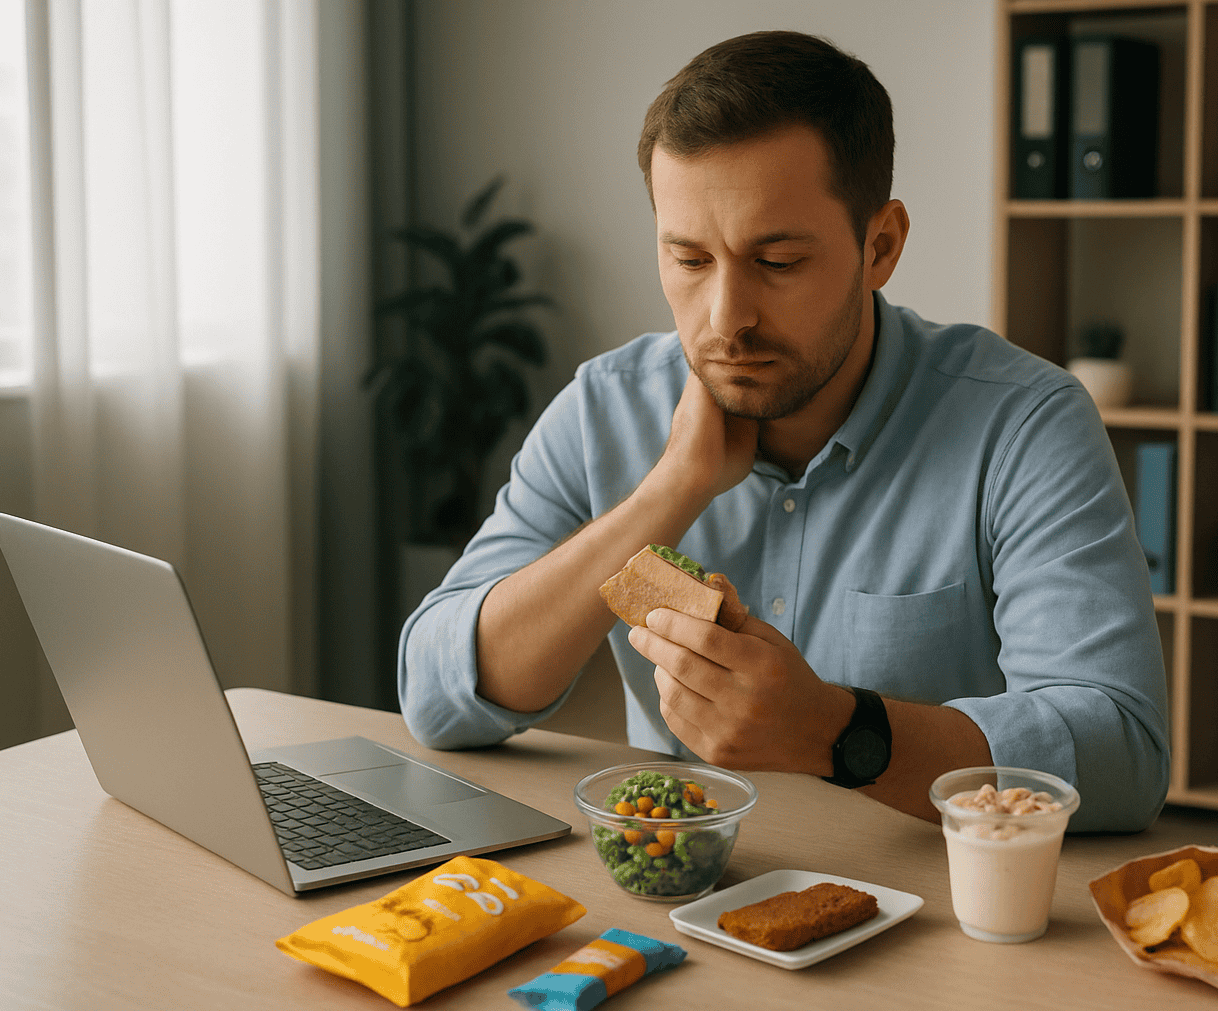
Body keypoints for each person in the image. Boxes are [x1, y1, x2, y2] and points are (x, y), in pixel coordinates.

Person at [398, 30, 1169, 831]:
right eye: (691, 261)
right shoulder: (605, 406)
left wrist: (837, 732)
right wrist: (670, 489)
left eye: (777, 262)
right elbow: (436, 695)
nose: (727, 320)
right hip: (680, 896)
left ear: (881, 245)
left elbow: (1122, 755)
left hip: (930, 918)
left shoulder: (1024, 424)